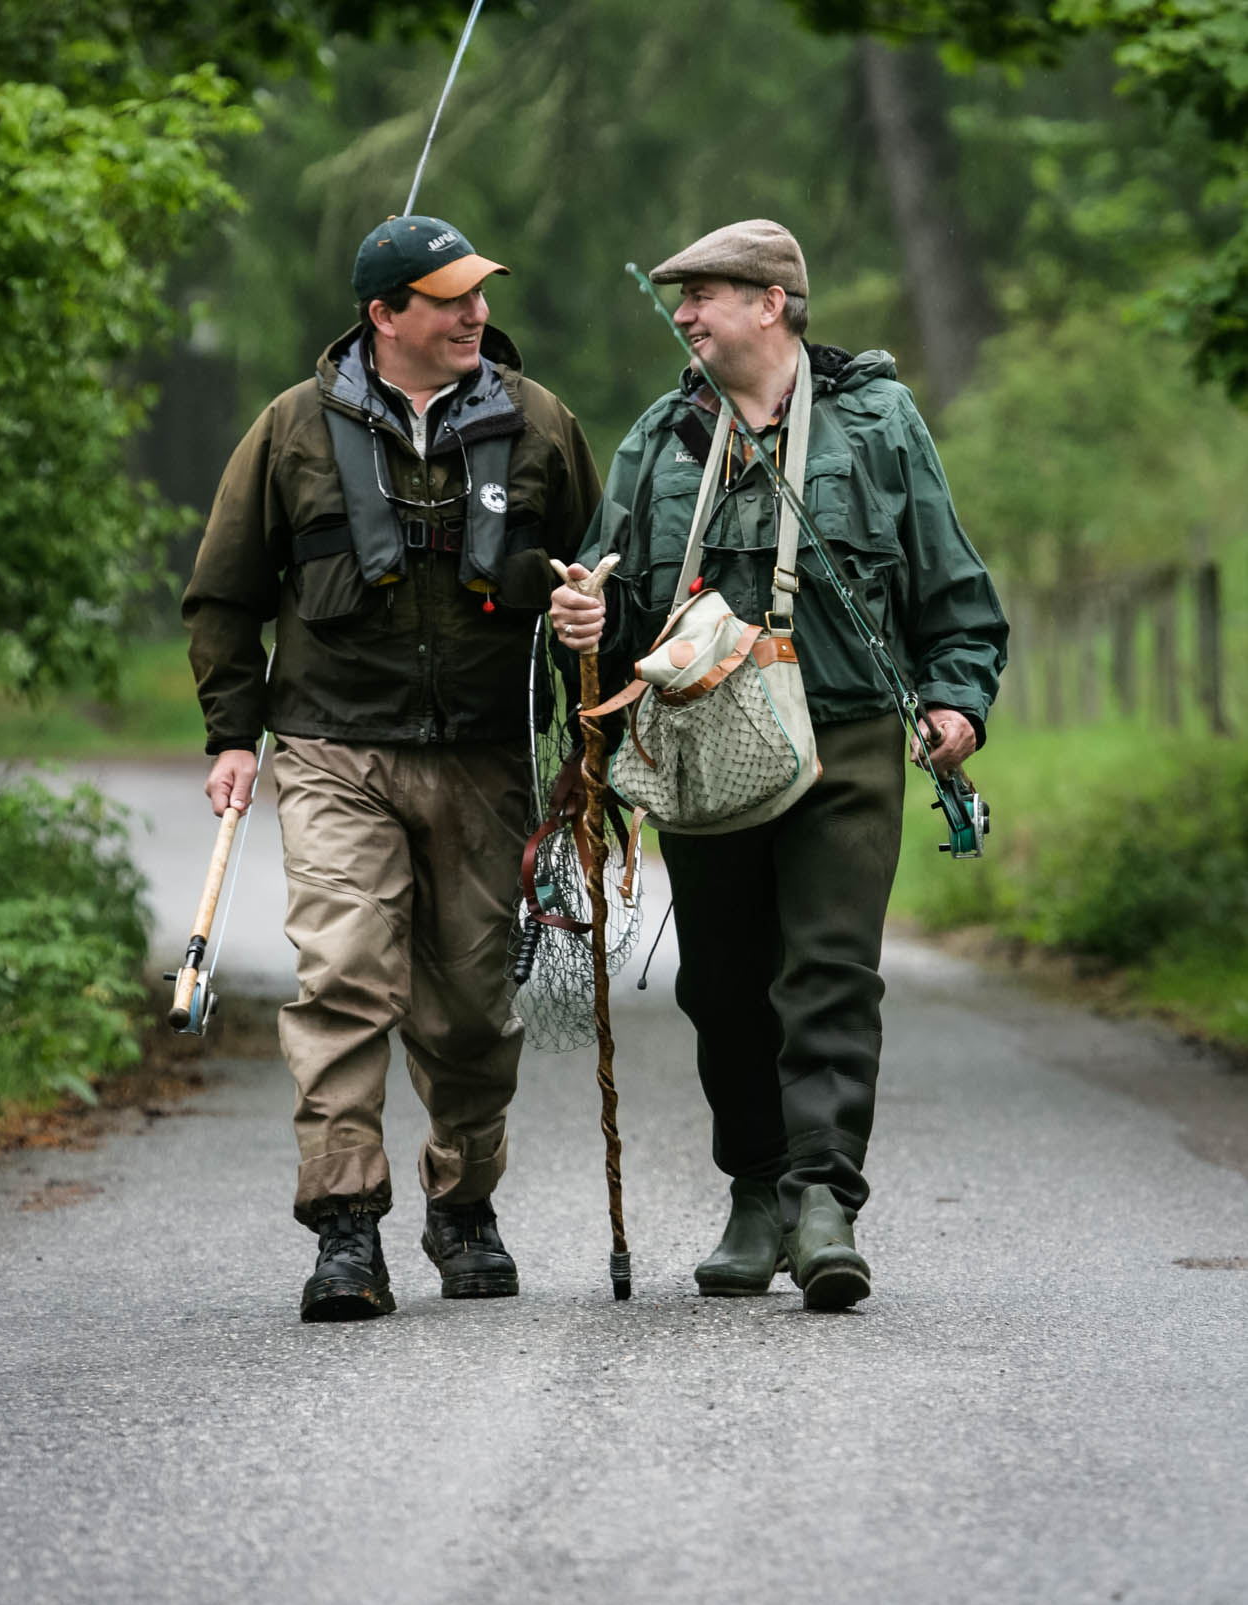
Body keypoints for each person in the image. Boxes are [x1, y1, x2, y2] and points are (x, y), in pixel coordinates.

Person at [551, 219, 1006, 1310]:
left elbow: (953, 589)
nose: (684, 312)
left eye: (704, 292)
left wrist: (958, 701)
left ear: (772, 302)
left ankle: (822, 1199)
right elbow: (611, 615)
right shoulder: (658, 438)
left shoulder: (879, 420)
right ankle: (754, 1191)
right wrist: (582, 616)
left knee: (829, 972)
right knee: (721, 983)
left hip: (843, 733)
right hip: (703, 743)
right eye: (678, 295)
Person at [184, 215, 600, 1321]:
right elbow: (224, 592)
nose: (475, 312)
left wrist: (591, 725)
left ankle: (464, 1206)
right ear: (385, 313)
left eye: (478, 293)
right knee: (345, 980)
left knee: (471, 1007)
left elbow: (609, 584)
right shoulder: (292, 430)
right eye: (449, 296)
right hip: (331, 746)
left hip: (485, 754)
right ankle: (345, 1227)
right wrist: (233, 731)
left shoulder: (541, 423)